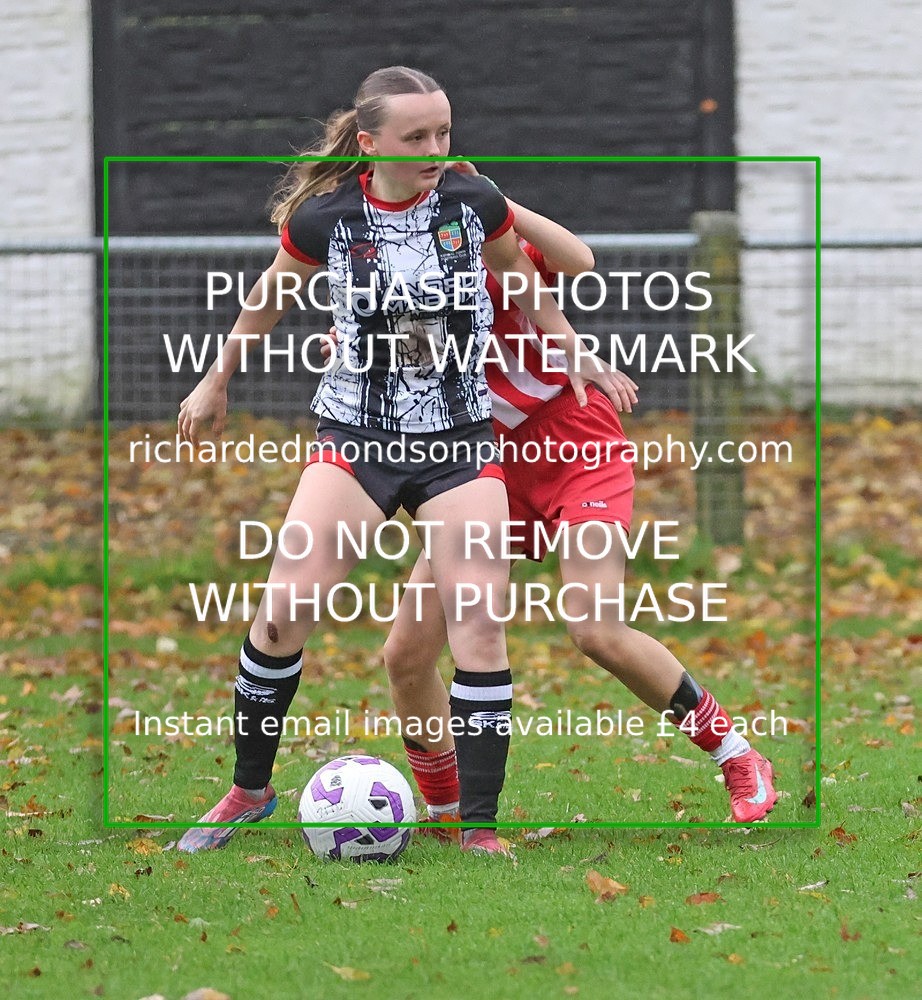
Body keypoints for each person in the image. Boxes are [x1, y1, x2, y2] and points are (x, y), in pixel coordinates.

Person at [174, 67, 633, 856]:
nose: (436, 150)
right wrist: (217, 378)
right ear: (370, 143)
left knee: (479, 631)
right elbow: (270, 296)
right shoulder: (326, 219)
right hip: (356, 441)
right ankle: (249, 791)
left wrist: (575, 353)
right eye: (416, 137)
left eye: (444, 133)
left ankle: (477, 830)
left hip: (460, 445)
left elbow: (523, 284)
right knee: (282, 612)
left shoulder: (472, 203)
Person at [382, 165, 779, 831]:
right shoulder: (403, 282)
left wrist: (496, 202)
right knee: (406, 654)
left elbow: (579, 258)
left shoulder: (497, 247)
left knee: (594, 629)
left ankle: (737, 755)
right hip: (486, 470)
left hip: (575, 447)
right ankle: (447, 814)